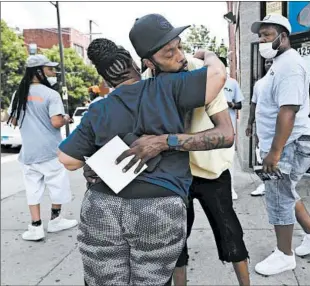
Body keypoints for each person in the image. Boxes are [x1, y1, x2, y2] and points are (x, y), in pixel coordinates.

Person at [58, 14, 229, 286]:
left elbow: (67, 160)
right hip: (158, 205)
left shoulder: (99, 108)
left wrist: (100, 160)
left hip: (102, 206)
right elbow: (218, 76)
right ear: (137, 62)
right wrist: (208, 53)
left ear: (105, 78)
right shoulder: (168, 86)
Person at [250, 14, 310, 276]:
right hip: (285, 143)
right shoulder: (278, 64)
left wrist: (274, 152)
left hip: (290, 143)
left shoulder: (290, 65)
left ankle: (285, 255)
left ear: (283, 37)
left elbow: (289, 110)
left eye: (267, 35)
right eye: (260, 36)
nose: (262, 40)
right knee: (285, 191)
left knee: (278, 197)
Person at [7, 55, 77, 241]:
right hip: (50, 151)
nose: (53, 73)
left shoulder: (18, 94)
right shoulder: (50, 94)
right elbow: (55, 122)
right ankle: (55, 221)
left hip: (29, 153)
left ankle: (36, 226)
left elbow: (12, 120)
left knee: (32, 189)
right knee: (57, 185)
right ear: (38, 71)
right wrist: (66, 118)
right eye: (50, 69)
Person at [218, 56, 244, 200]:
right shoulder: (208, 82)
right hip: (212, 129)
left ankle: (231, 188)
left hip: (229, 129)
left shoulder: (232, 83)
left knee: (229, 160)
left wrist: (231, 105)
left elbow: (240, 104)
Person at [246, 58, 273, 196]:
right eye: (267, 62)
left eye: (272, 61)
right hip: (262, 128)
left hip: (278, 128)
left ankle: (277, 185)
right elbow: (253, 104)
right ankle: (265, 184)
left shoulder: (283, 81)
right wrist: (250, 123)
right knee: (261, 156)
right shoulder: (259, 84)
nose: (269, 64)